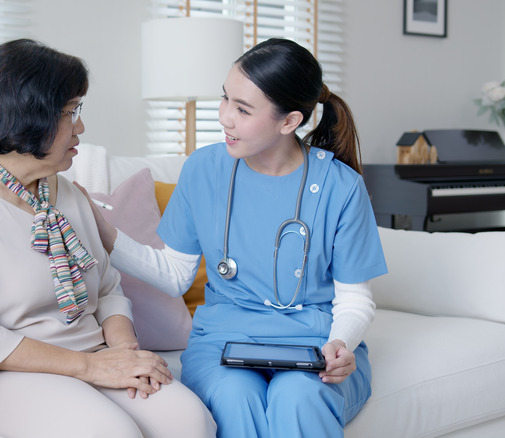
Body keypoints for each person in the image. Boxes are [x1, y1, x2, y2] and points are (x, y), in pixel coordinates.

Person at [0, 39, 216, 438]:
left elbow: (108, 290)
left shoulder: (63, 191)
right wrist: (93, 367)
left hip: (88, 354)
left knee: (189, 419)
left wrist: (122, 351)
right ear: (28, 117)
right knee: (107, 431)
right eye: (70, 112)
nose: (80, 126)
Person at [81, 38, 388, 438]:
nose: (225, 117)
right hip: (225, 341)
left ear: (289, 122)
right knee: (233, 395)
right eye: (225, 99)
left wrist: (341, 344)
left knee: (298, 396)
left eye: (242, 110)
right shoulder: (204, 169)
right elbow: (176, 275)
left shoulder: (340, 187)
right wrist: (106, 234)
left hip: (315, 343)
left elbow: (355, 298)